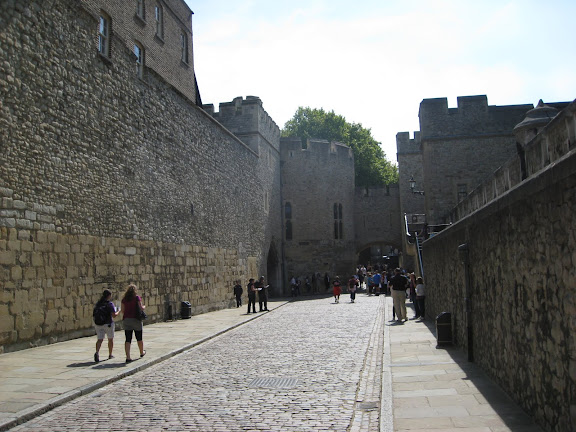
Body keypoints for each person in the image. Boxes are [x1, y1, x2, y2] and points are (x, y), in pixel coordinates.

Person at [120, 283, 146, 363]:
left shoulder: (124, 299)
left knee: (128, 339)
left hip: (127, 320)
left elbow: (122, 311)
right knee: (139, 337)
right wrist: (144, 307)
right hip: (136, 319)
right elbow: (141, 308)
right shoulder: (136, 298)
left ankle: (128, 356)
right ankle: (141, 352)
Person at [93, 289, 119, 363]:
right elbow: (114, 315)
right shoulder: (109, 304)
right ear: (109, 296)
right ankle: (110, 354)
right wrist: (118, 311)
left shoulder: (98, 303)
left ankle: (97, 352)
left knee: (100, 339)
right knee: (110, 339)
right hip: (108, 324)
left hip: (98, 324)